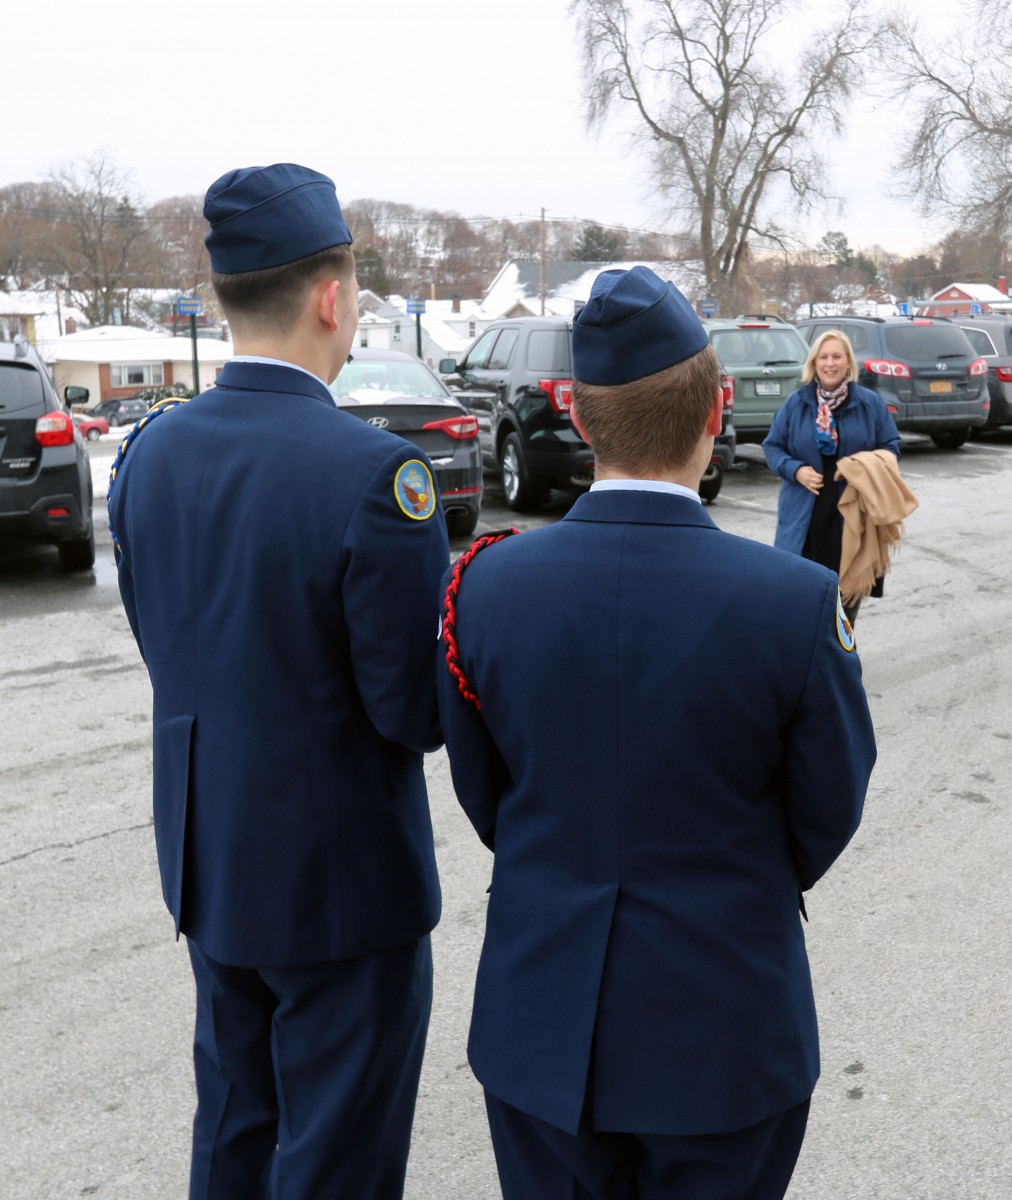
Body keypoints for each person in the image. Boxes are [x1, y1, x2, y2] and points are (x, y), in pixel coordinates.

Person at [436, 266, 877, 1200]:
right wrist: (731, 878)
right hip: (727, 1026)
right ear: (719, 410)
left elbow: (488, 796)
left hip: (541, 1020)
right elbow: (828, 806)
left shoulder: (484, 585)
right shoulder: (793, 602)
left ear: (582, 419)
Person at [107, 163, 449, 1200]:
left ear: (224, 295)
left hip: (213, 860)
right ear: (332, 298)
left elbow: (166, 638)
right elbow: (412, 711)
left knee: (235, 1135)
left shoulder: (148, 455)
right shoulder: (373, 475)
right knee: (334, 1161)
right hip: (340, 884)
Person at [763, 329, 902, 624]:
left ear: (848, 361)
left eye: (837, 356)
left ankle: (839, 664)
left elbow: (891, 447)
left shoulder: (869, 404)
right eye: (823, 357)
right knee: (804, 603)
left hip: (854, 518)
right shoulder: (796, 403)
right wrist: (795, 470)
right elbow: (772, 447)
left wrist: (863, 466)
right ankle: (810, 665)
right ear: (813, 363)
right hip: (806, 520)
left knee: (846, 607)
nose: (830, 363)